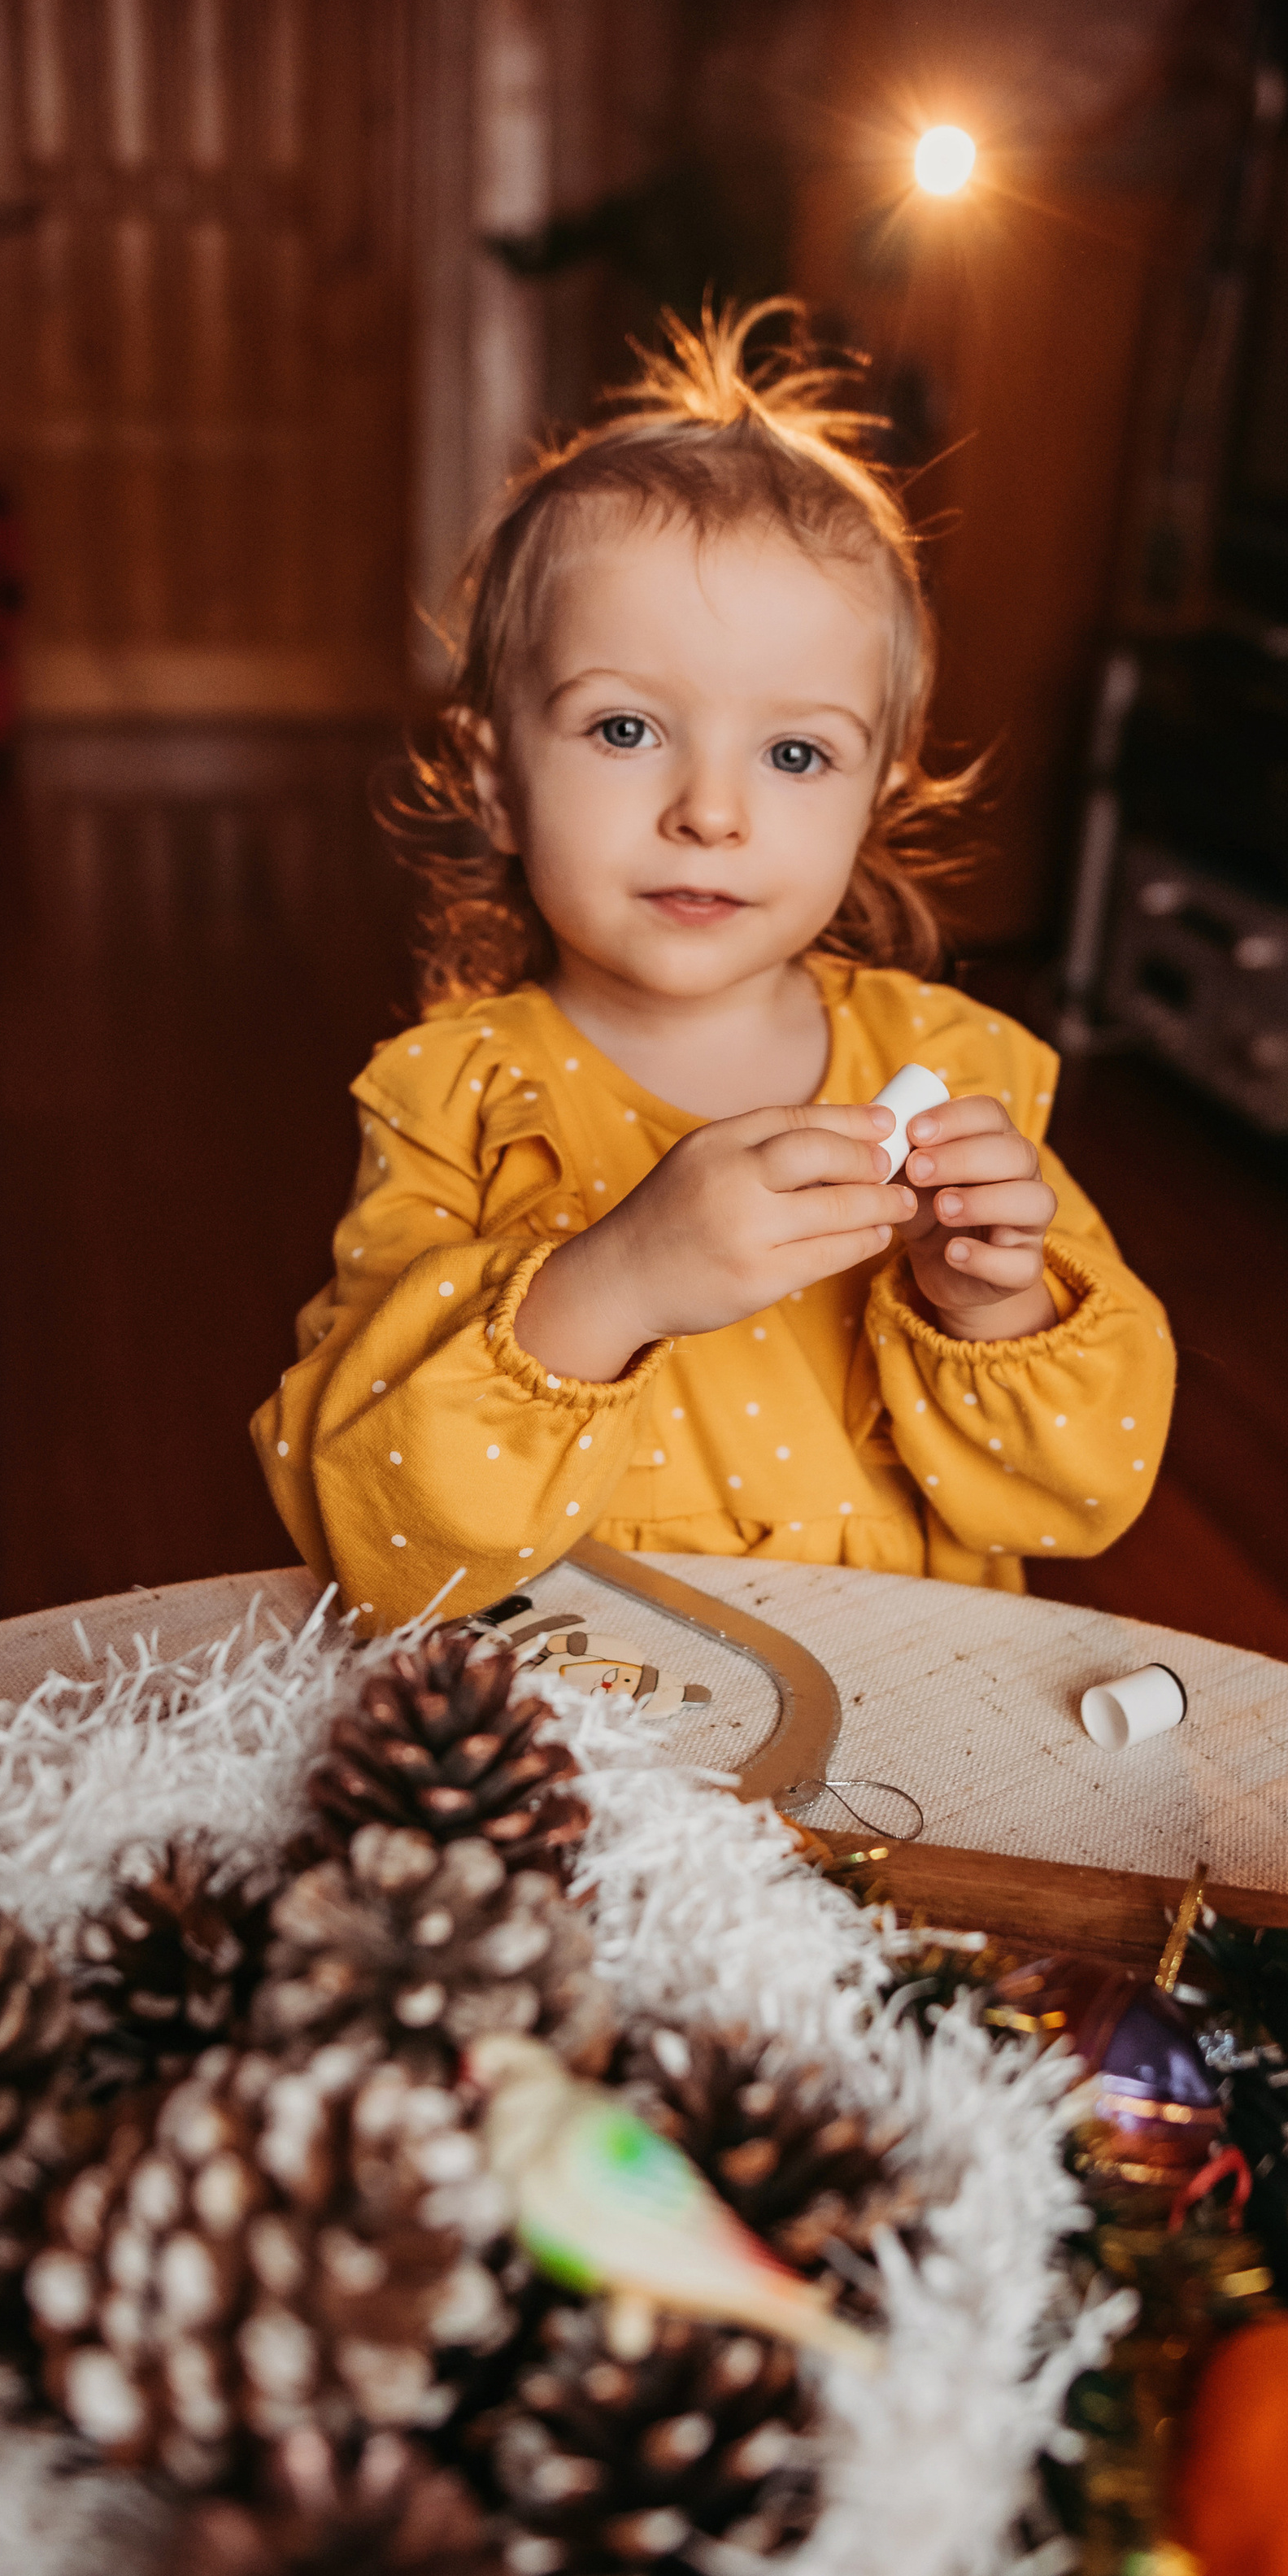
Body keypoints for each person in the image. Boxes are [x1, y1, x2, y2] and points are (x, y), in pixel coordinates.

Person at [254, 304, 1173, 1628]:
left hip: (905, 1721)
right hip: (582, 1732)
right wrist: (615, 1281)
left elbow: (1082, 1494)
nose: (712, 811)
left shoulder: (954, 1071)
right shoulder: (452, 1095)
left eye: (795, 754)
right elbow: (377, 1526)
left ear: (879, 788)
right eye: (625, 727)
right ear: (494, 780)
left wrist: (994, 1299)